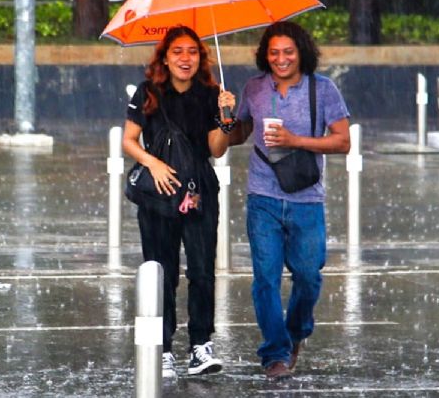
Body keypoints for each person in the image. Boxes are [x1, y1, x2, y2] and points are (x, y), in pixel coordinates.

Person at [228, 21, 350, 379]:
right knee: (265, 278)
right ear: (265, 55)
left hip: (306, 198)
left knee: (309, 276)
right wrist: (225, 116)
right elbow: (238, 134)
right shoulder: (254, 88)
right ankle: (275, 354)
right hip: (262, 196)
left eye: (288, 52)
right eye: (274, 52)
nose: (281, 59)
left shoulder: (323, 89)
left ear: (301, 53)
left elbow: (343, 142)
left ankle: (295, 334)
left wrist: (296, 140)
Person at [122, 25, 236, 379]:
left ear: (200, 57)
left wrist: (226, 118)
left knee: (202, 271)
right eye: (177, 52)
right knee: (162, 273)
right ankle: (164, 348)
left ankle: (201, 345)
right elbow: (128, 140)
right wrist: (152, 163)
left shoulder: (212, 93)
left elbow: (216, 150)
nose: (185, 59)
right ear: (165, 57)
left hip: (199, 189)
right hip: (158, 193)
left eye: (192, 52)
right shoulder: (148, 92)